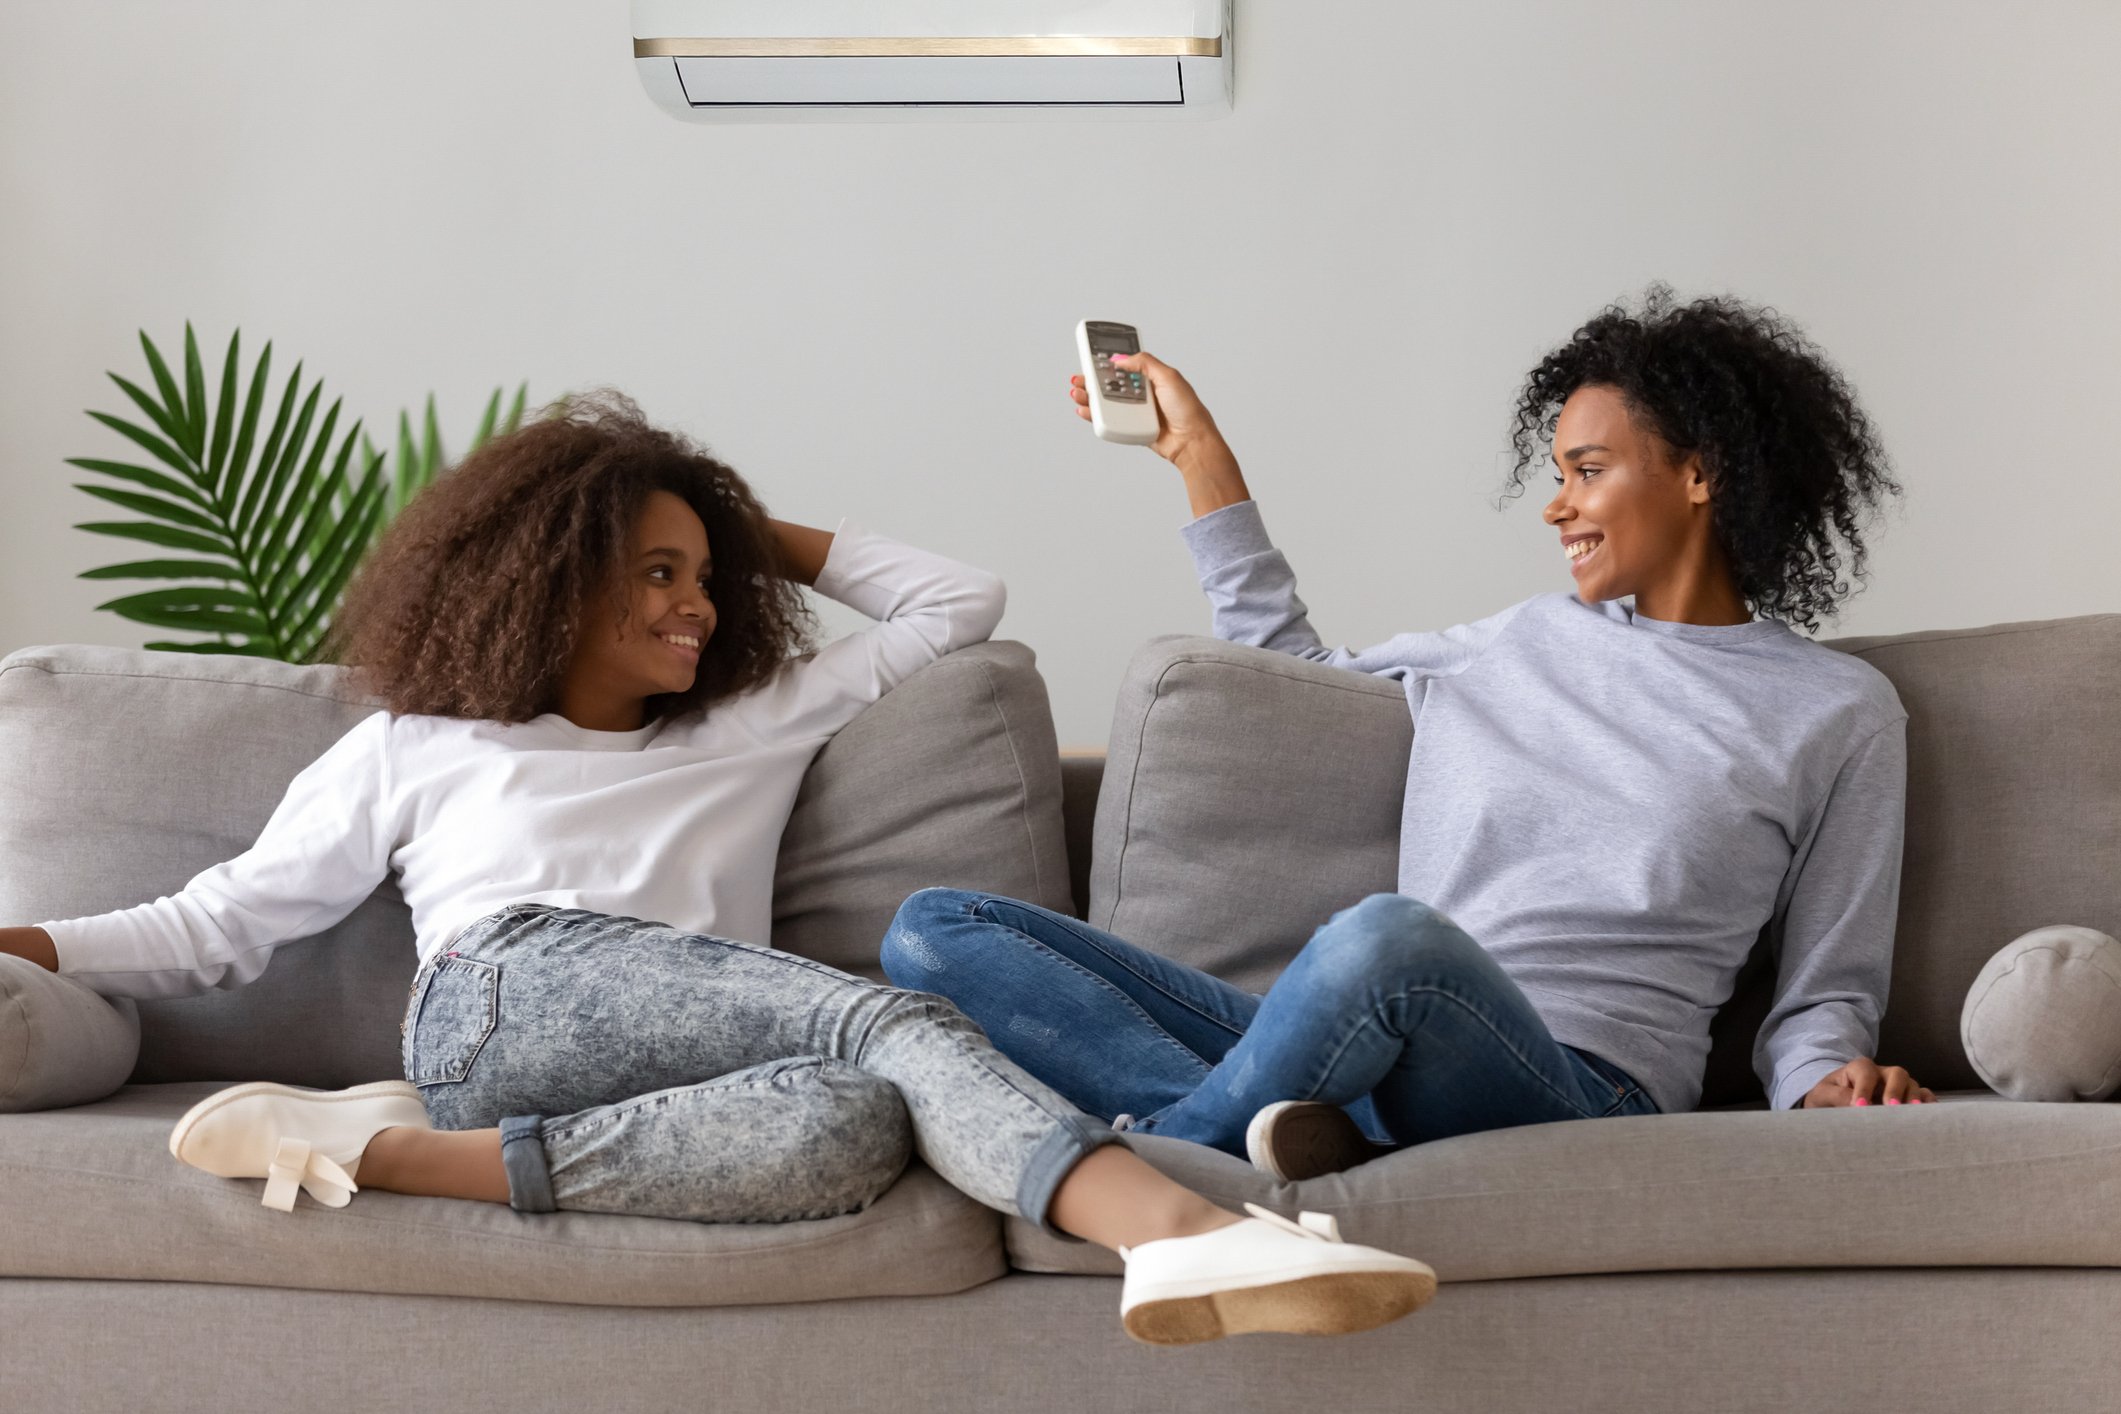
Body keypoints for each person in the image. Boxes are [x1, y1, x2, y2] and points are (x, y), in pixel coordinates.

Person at [0, 393, 1432, 1346]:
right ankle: (1175, 1228)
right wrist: (29, 945)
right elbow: (223, 920)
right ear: (553, 574)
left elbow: (957, 601)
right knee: (879, 1017)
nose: (699, 607)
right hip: (505, 1000)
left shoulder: (754, 719)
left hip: (681, 1072)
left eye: (707, 573)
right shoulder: (420, 744)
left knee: (857, 1123)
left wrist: (712, 515)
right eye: (656, 572)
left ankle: (381, 1155)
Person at [883, 287, 1936, 1186]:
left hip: (1579, 1087)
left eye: (1586, 470)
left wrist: (1825, 1086)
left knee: (1389, 940)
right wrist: (1199, 455)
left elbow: (1827, 990)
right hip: (1368, 1042)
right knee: (937, 926)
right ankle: (1277, 1134)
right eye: (1559, 474)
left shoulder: (1835, 709)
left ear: (1700, 473)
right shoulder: (1514, 643)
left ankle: (1175, 1161)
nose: (1556, 507)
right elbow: (1286, 674)